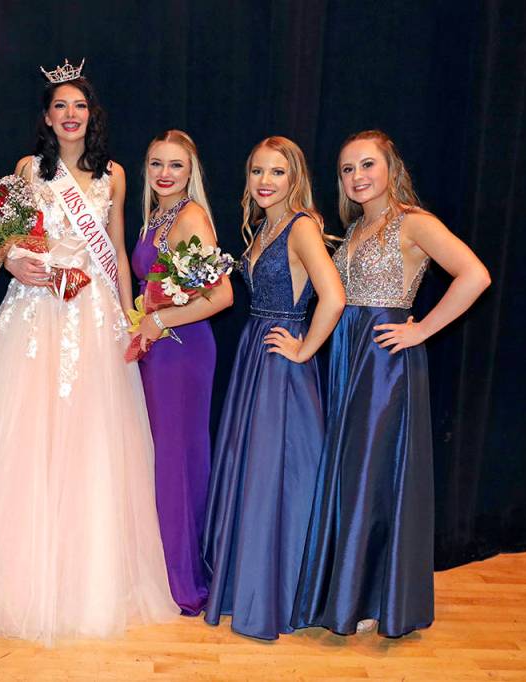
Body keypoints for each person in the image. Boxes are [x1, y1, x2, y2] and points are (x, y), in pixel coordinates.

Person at [0, 61, 177, 643]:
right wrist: (13, 261)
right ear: (46, 117)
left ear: (92, 114)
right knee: (26, 438)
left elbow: (113, 243)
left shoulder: (113, 174)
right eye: (59, 106)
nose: (69, 115)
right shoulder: (28, 170)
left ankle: (88, 578)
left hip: (92, 310)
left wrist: (132, 316)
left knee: (91, 440)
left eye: (79, 106)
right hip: (35, 307)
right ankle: (15, 580)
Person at [293, 130, 491, 637]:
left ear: (390, 167)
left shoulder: (413, 222)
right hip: (345, 356)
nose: (357, 176)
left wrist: (421, 328)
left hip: (383, 361)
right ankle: (348, 593)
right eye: (347, 169)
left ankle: (366, 599)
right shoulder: (357, 227)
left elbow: (474, 274)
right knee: (347, 472)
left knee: (370, 475)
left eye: (367, 165)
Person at [201, 137, 345, 639]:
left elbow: (334, 296)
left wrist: (304, 349)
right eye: (258, 171)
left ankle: (280, 591)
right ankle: (253, 583)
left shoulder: (302, 227)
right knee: (257, 472)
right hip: (253, 353)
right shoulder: (267, 224)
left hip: (282, 360)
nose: (265, 181)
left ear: (295, 178)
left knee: (278, 475)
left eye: (277, 172)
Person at [129, 130, 234, 615]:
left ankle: (182, 579)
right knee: (163, 461)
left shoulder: (191, 217)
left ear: (191, 171)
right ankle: (165, 567)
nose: (164, 173)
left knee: (176, 463)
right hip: (160, 352)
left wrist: (159, 319)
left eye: (175, 165)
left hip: (184, 353)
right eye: (156, 164)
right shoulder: (157, 215)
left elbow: (222, 297)